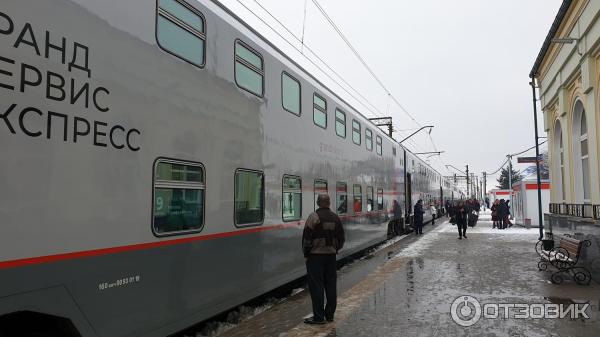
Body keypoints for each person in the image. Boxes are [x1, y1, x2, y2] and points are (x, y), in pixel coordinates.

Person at [302, 194, 345, 324]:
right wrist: (335, 249)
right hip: (331, 257)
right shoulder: (336, 218)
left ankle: (319, 317)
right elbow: (341, 239)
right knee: (331, 285)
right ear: (329, 203)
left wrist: (306, 254)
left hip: (315, 258)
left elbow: (306, 239)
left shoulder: (313, 217)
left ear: (318, 203)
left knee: (317, 287)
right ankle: (330, 315)